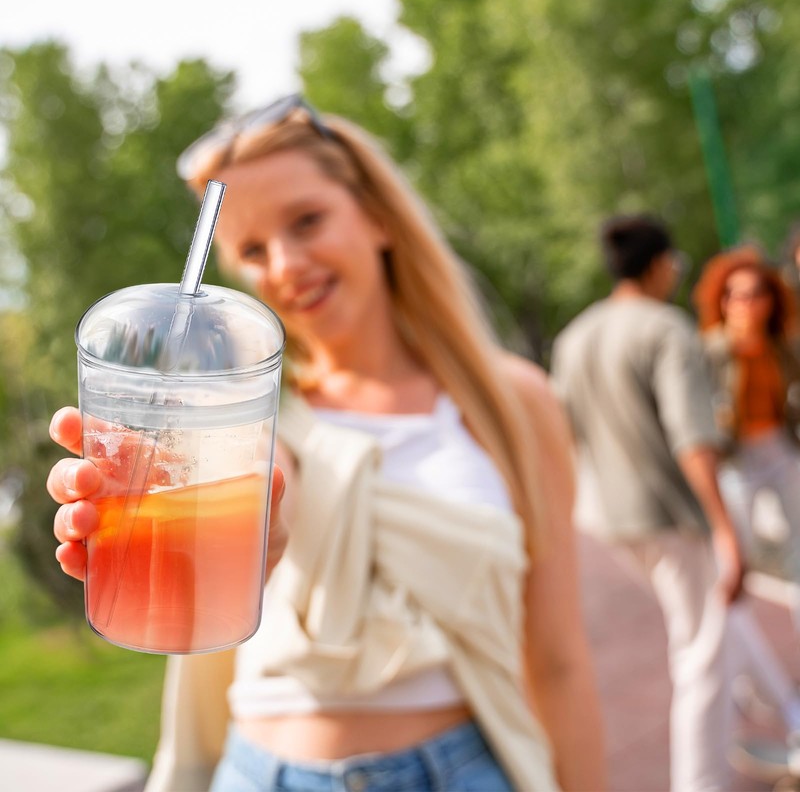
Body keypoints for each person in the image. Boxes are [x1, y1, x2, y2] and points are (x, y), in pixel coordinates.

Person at [46, 95, 606, 792]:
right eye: (253, 250)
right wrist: (239, 529)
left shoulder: (511, 401)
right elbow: (265, 495)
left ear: (377, 216)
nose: (285, 264)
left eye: (306, 221)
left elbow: (557, 659)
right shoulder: (254, 415)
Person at [550, 213, 747, 792]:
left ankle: (787, 710)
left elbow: (563, 431)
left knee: (715, 616)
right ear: (660, 264)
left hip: (607, 517)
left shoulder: (574, 336)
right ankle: (701, 782)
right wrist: (725, 528)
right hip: (668, 514)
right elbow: (692, 437)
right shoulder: (665, 328)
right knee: (702, 655)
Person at [692, 246, 800, 604]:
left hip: (779, 446)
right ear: (723, 301)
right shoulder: (713, 351)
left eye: (756, 294)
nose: (747, 304)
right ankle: (730, 624)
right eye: (737, 295)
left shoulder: (781, 348)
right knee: (736, 553)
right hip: (737, 457)